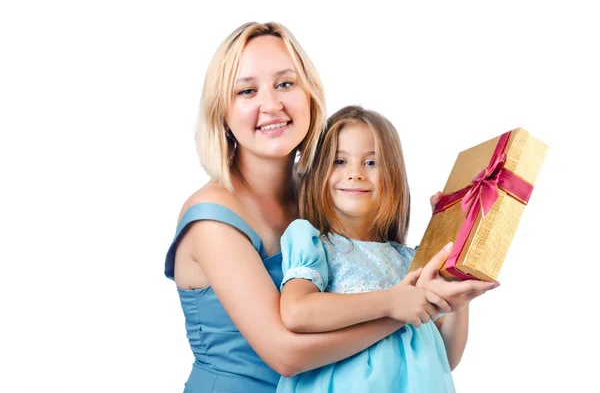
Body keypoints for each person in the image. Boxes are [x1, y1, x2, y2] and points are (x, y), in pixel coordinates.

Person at [164, 22, 496, 393]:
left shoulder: (323, 196)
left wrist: (448, 258)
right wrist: (402, 309)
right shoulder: (212, 219)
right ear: (221, 112)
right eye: (247, 90)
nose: (272, 104)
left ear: (309, 95)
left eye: (285, 84)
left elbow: (403, 310)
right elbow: (286, 355)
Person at [276, 106, 499, 392]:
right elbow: (297, 312)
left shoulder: (412, 261)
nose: (355, 174)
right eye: (339, 161)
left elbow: (446, 357)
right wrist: (391, 302)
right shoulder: (313, 243)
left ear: (393, 175)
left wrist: (458, 282)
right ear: (318, 172)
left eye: (371, 163)